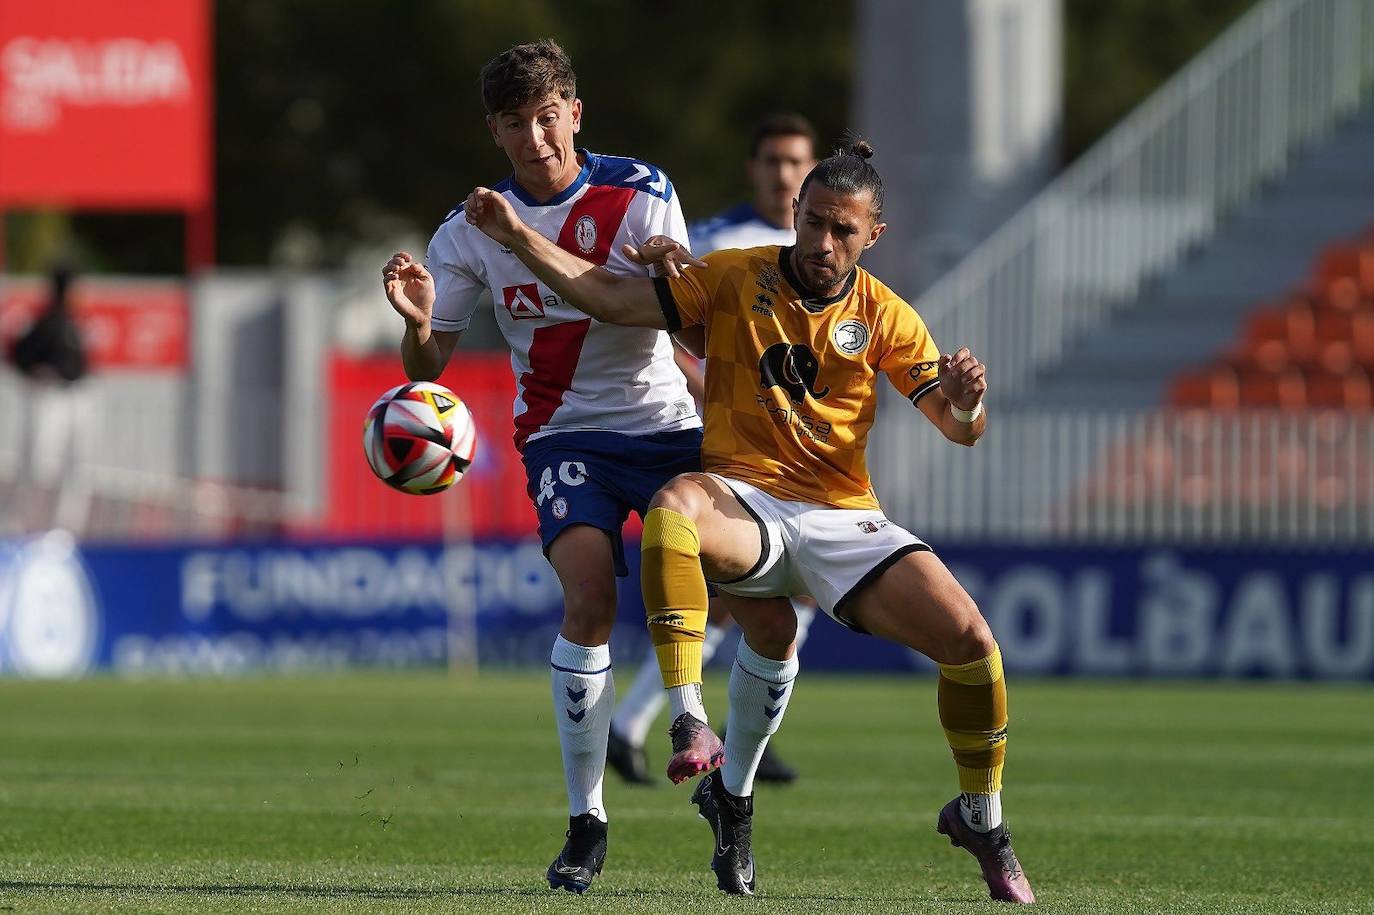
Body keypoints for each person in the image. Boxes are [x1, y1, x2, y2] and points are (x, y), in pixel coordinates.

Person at [461, 139, 1036, 903]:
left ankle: (980, 818)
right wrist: (519, 237)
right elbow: (611, 300)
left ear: (874, 237)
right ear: (795, 213)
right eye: (815, 223)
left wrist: (966, 400)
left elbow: (959, 428)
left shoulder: (888, 316)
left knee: (971, 643)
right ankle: (688, 717)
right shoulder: (733, 274)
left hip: (842, 517)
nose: (825, 243)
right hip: (747, 501)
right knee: (676, 506)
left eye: (845, 231)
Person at [381, 40, 706, 895]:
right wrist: (418, 323)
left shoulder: (640, 193)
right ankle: (587, 817)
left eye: (547, 115)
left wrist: (674, 272)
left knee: (752, 603)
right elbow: (427, 368)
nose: (536, 136)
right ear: (494, 130)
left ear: (575, 111)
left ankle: (721, 770)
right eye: (516, 123)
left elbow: (681, 310)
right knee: (590, 596)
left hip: (668, 424)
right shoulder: (467, 229)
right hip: (564, 438)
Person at [607, 112, 820, 787]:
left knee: (795, 585)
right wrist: (712, 391)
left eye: (796, 162)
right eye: (773, 161)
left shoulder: (825, 244)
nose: (785, 174)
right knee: (744, 584)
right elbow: (670, 327)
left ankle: (667, 722)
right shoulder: (719, 240)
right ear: (754, 169)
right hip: (734, 438)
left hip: (803, 445)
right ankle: (687, 721)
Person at [9, 261, 92, 532]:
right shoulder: (45, 321)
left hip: (75, 397)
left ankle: (65, 528)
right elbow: (18, 355)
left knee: (76, 465)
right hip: (50, 398)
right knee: (39, 464)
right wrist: (37, 373)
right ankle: (23, 524)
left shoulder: (74, 323)